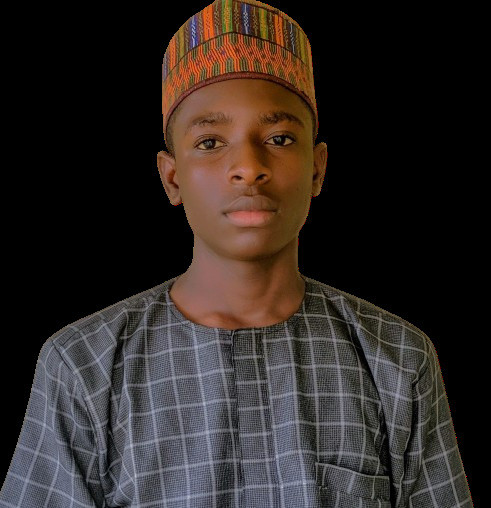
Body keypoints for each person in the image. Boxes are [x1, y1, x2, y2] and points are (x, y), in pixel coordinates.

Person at [0, 0, 472, 506]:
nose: (248, 167)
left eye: (279, 138)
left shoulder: (396, 359)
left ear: (317, 168)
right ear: (171, 177)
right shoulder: (85, 365)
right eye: (210, 142)